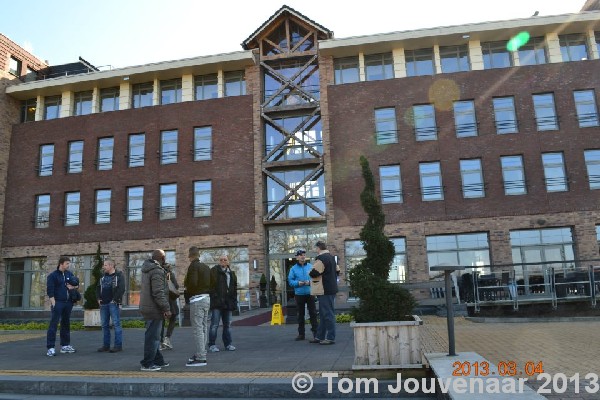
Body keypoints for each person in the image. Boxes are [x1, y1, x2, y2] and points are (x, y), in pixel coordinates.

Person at [139, 249, 171, 371]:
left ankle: (158, 360)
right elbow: (158, 292)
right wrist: (166, 308)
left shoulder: (148, 269)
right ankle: (147, 363)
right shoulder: (157, 271)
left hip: (148, 306)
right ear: (162, 258)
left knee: (154, 336)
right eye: (165, 258)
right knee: (153, 337)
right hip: (154, 308)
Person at [183, 246, 211, 367]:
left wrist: (188, 293)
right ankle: (201, 353)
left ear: (190, 256)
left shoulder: (193, 266)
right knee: (204, 328)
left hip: (197, 300)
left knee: (198, 329)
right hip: (206, 298)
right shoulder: (205, 267)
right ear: (198, 255)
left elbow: (193, 283)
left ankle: (201, 357)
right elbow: (212, 283)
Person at [46, 256, 78, 356]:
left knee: (66, 323)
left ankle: (65, 345)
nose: (69, 265)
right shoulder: (53, 276)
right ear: (61, 264)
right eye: (67, 263)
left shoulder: (69, 274)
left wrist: (73, 286)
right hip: (58, 302)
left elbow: (77, 284)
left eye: (69, 263)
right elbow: (50, 291)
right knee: (54, 324)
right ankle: (50, 348)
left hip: (68, 303)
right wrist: (54, 303)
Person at [309, 241, 338, 345]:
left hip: (324, 289)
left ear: (318, 248)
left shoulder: (321, 258)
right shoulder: (331, 257)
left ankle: (330, 338)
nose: (314, 250)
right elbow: (337, 271)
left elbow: (314, 273)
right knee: (323, 314)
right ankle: (319, 336)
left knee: (327, 314)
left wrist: (311, 270)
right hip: (331, 288)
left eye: (315, 248)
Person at [208, 255, 237, 352]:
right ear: (218, 261)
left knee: (227, 325)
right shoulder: (214, 271)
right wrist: (215, 297)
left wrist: (234, 302)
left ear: (228, 262)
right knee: (214, 325)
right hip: (217, 303)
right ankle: (212, 345)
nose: (223, 261)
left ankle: (228, 344)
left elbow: (234, 289)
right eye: (221, 260)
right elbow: (210, 286)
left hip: (228, 303)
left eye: (225, 260)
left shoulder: (232, 274)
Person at [287, 249, 318, 341]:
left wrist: (309, 282)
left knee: (313, 314)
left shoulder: (311, 266)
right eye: (300, 255)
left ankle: (316, 334)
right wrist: (298, 283)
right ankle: (301, 334)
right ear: (297, 257)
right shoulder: (293, 269)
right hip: (299, 294)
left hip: (310, 293)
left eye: (304, 255)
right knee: (300, 314)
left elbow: (316, 278)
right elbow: (290, 281)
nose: (303, 256)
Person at [96, 259, 125, 353]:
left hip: (113, 304)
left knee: (116, 324)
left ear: (111, 266)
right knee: (104, 325)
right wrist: (98, 298)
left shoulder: (119, 275)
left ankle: (118, 346)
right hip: (103, 304)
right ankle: (106, 346)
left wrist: (115, 300)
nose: (103, 267)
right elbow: (97, 287)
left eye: (105, 265)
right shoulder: (102, 276)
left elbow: (121, 289)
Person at [160, 262, 179, 351]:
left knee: (161, 321)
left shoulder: (158, 274)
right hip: (171, 301)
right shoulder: (170, 274)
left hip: (161, 300)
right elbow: (176, 286)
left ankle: (160, 342)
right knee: (172, 319)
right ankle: (167, 338)